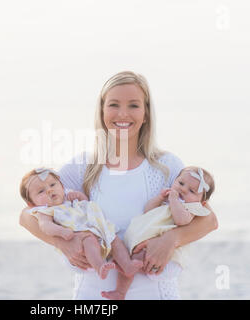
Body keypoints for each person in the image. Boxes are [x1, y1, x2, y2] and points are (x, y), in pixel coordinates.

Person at [19, 71, 218, 299]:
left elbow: (209, 220)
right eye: (114, 104)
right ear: (102, 111)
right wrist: (63, 242)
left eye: (133, 105)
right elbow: (26, 216)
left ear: (146, 114)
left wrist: (170, 240)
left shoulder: (168, 166)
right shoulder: (82, 167)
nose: (123, 114)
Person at [101, 166, 215, 300]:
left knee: (135, 260)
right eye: (181, 183)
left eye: (191, 190)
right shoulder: (167, 199)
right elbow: (148, 210)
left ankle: (121, 291)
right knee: (127, 256)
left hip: (164, 253)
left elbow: (181, 220)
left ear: (202, 202)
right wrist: (160, 198)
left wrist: (174, 200)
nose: (183, 189)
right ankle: (120, 284)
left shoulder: (190, 208)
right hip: (144, 241)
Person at [19, 167, 143, 280]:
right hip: (81, 236)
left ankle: (127, 265)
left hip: (99, 229)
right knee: (89, 241)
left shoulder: (69, 198)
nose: (49, 190)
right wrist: (61, 232)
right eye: (41, 191)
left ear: (61, 185)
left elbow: (86, 206)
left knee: (115, 239)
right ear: (31, 203)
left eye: (52, 184)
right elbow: (45, 226)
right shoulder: (45, 211)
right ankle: (100, 267)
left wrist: (80, 196)